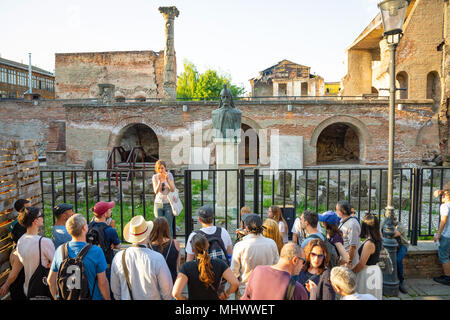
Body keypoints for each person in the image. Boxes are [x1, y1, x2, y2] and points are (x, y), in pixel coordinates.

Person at [47, 214, 111, 300]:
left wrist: (56, 297)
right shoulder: (96, 251)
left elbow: (50, 280)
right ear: (85, 228)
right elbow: (102, 282)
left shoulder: (60, 250)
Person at [110, 215, 173, 300]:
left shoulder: (118, 258)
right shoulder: (157, 258)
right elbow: (167, 290)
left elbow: (115, 289)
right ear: (147, 234)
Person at [172, 233, 239, 300]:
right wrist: (226, 294)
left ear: (192, 250)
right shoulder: (219, 263)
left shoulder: (187, 267)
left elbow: (176, 293)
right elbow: (235, 283)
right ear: (208, 245)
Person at [231, 213, 280, 298]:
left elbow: (234, 272)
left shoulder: (240, 246)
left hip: (246, 291)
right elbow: (277, 267)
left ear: (246, 228)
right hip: (267, 289)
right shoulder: (271, 243)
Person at [241, 242, 310, 300]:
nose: (303, 265)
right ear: (295, 260)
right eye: (303, 262)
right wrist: (313, 293)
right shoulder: (298, 290)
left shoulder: (258, 271)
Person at [16, 207, 55, 299]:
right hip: (44, 289)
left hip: (28, 288)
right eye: (41, 216)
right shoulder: (44, 242)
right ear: (35, 221)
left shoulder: (20, 240)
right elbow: (56, 264)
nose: (43, 218)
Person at [0, 199, 31, 299]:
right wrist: (6, 285)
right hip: (19, 289)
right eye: (29, 208)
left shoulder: (19, 223)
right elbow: (15, 273)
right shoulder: (20, 226)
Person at [352, 213, 383, 300]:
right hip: (374, 270)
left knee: (365, 294)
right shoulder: (378, 236)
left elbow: (361, 264)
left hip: (368, 273)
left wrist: (351, 271)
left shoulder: (369, 243)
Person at [88, 201, 121, 278]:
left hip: (91, 263)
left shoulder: (88, 226)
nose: (111, 210)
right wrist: (113, 244)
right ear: (104, 214)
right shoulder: (110, 230)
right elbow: (118, 246)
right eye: (109, 210)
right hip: (106, 264)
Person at [381, 214, 409, 293]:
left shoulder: (400, 225)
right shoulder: (383, 223)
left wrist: (385, 230)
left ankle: (401, 281)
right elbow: (380, 233)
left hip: (402, 245)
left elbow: (394, 234)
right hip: (388, 245)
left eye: (394, 220)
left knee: (398, 260)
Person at [148, 217, 181, 284]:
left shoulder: (148, 246)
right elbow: (178, 265)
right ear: (167, 228)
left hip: (154, 281)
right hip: (171, 280)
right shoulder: (175, 243)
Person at [152, 159, 176, 237]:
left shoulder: (169, 175)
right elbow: (156, 191)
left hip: (168, 203)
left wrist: (167, 180)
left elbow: (172, 189)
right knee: (158, 225)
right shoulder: (155, 177)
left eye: (162, 168)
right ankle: (160, 243)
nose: (161, 170)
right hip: (158, 203)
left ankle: (169, 243)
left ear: (165, 168)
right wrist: (159, 182)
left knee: (168, 225)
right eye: (159, 168)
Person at [433, 188, 450, 286]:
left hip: (447, 235)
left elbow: (443, 221)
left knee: (444, 256)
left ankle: (448, 278)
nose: (441, 197)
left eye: (443, 195)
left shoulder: (445, 206)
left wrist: (438, 234)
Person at [336, 200, 361, 267]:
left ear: (341, 212)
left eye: (336, 210)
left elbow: (353, 246)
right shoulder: (343, 220)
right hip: (343, 260)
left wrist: (348, 261)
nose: (336, 212)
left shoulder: (352, 224)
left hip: (349, 263)